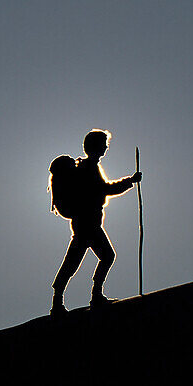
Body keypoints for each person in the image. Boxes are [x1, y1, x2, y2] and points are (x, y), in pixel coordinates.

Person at [48, 129, 142, 317]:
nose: (106, 148)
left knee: (75, 261)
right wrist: (129, 181)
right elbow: (105, 189)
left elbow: (101, 190)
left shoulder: (86, 166)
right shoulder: (89, 167)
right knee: (104, 256)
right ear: (95, 146)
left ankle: (60, 301)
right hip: (87, 222)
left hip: (85, 222)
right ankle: (93, 296)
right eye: (103, 144)